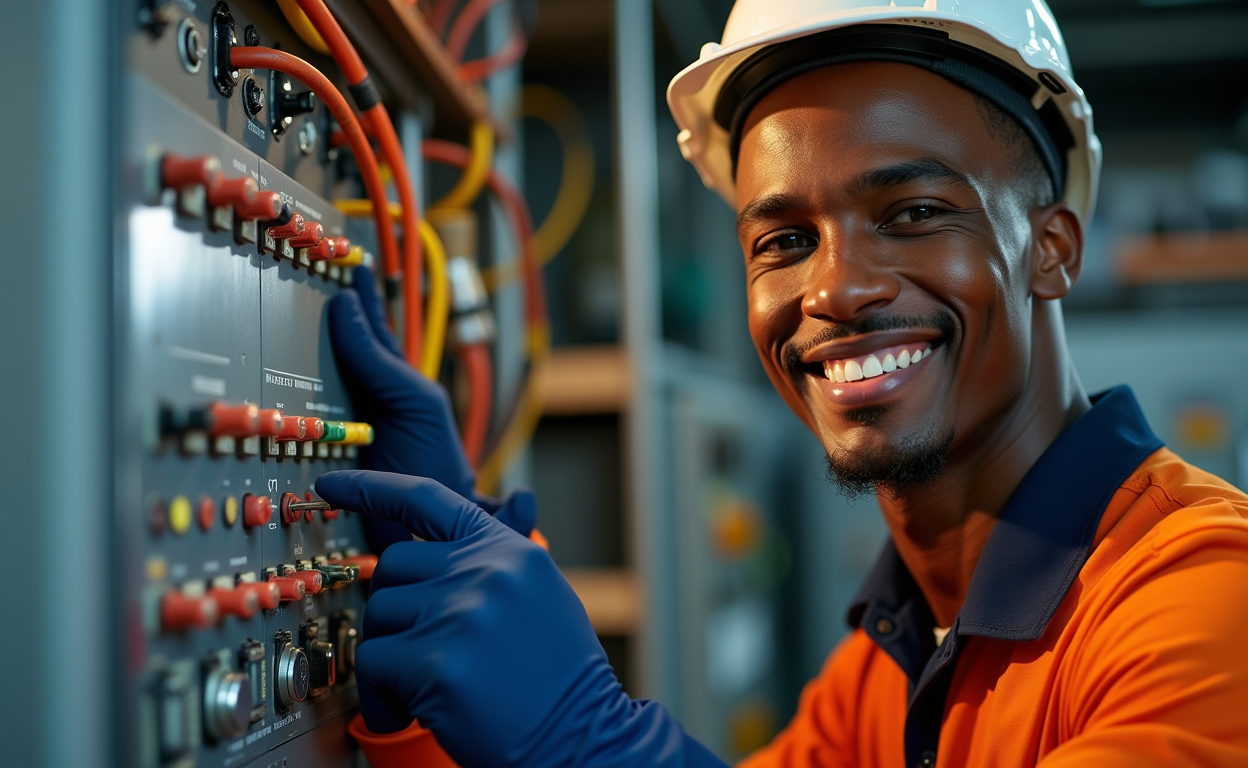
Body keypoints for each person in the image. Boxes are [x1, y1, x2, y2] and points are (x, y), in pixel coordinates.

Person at [315, 1, 1248, 766]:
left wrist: (591, 745)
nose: (835, 289)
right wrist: (428, 700)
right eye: (785, 242)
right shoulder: (890, 666)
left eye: (915, 212)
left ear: (1052, 250)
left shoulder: (1203, 603)